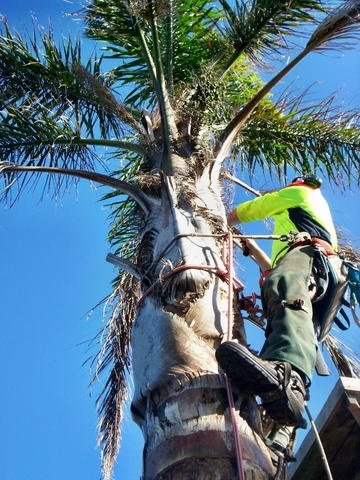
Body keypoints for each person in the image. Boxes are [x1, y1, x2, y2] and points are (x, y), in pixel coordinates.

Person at [216, 174, 338, 428]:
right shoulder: (299, 223)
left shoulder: (301, 192)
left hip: (309, 254)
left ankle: (287, 376)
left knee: (283, 291)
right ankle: (282, 427)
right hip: (313, 272)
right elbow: (273, 270)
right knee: (284, 303)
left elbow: (257, 208)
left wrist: (220, 219)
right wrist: (247, 245)